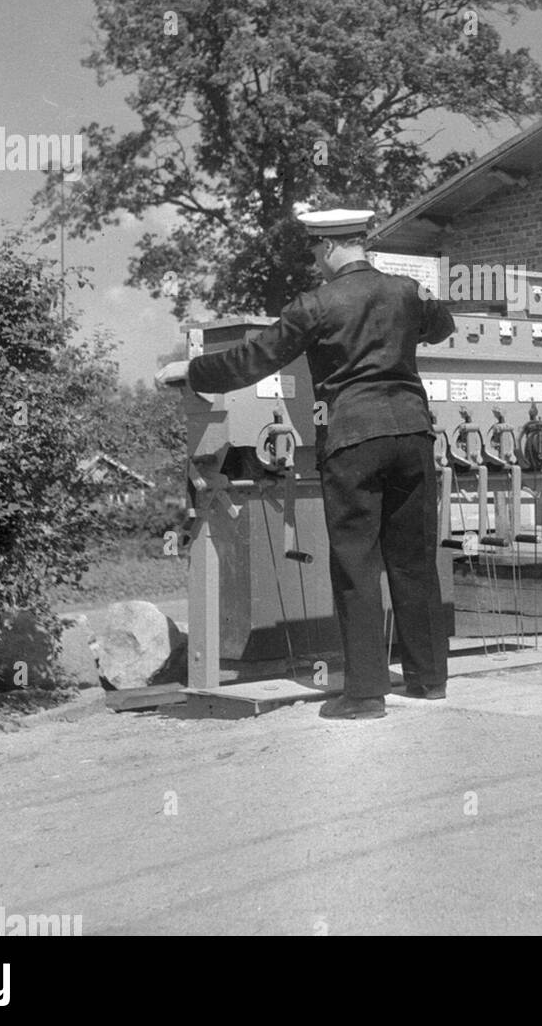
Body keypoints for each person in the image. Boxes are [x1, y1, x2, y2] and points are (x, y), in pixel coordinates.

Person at [158, 209, 455, 720]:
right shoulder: (406, 291)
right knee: (413, 560)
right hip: (412, 434)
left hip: (353, 438)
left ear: (332, 248)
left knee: (357, 565)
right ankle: (428, 680)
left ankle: (364, 695)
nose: (316, 262)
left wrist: (192, 369)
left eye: (316, 252)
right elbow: (443, 326)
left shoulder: (315, 305)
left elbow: (252, 360)